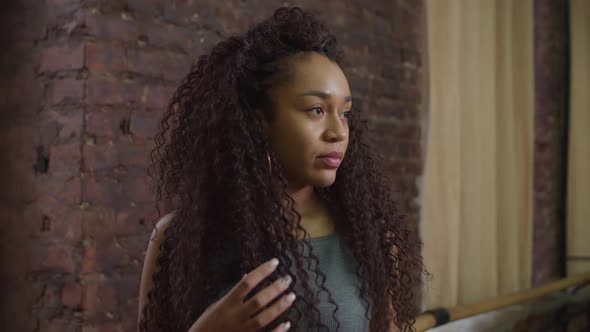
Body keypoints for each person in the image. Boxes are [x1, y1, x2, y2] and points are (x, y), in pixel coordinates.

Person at [138, 6, 424, 332]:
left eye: (344, 112)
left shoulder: (370, 239)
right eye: (316, 110)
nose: (339, 131)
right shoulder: (176, 240)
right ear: (259, 121)